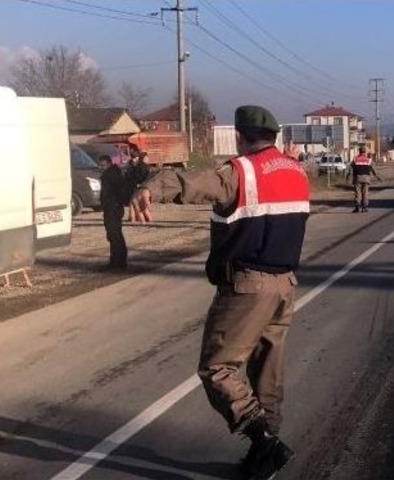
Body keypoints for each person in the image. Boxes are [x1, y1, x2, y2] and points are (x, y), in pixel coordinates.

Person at [130, 105, 308, 479]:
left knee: (216, 368)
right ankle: (264, 458)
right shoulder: (296, 171)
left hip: (248, 287)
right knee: (267, 371)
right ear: (274, 137)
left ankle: (264, 443)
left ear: (241, 137)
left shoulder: (239, 172)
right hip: (285, 286)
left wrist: (148, 188)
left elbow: (188, 182)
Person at [98, 155, 128, 270]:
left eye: (103, 165)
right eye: (100, 165)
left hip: (113, 208)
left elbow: (115, 193)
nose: (101, 167)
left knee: (114, 236)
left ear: (109, 164)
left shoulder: (111, 175)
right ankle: (119, 262)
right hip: (112, 208)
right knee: (115, 235)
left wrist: (111, 204)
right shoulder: (113, 174)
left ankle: (117, 262)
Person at [346, 146, 381, 213]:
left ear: (359, 151)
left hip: (357, 178)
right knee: (365, 193)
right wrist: (377, 176)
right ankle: (364, 207)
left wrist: (348, 177)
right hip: (366, 178)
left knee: (357, 193)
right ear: (365, 152)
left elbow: (351, 169)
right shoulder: (369, 160)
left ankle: (357, 207)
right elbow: (373, 169)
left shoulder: (355, 159)